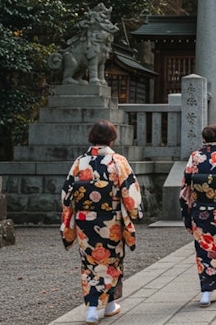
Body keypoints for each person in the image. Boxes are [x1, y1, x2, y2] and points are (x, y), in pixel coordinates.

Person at [60, 120, 142, 325]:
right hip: (111, 220)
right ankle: (110, 305)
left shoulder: (80, 162)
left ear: (91, 137)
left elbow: (66, 194)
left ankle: (92, 309)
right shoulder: (118, 161)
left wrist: (69, 217)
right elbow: (130, 191)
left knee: (89, 263)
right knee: (112, 261)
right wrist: (134, 213)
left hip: (84, 221)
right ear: (112, 138)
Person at [179, 124, 216, 307]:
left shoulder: (195, 158)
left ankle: (206, 291)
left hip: (200, 209)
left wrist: (187, 212)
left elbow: (186, 185)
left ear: (203, 139)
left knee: (203, 249)